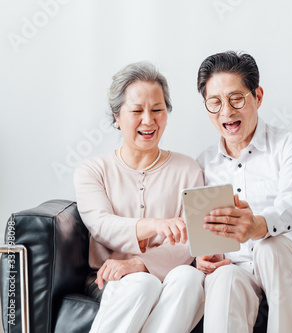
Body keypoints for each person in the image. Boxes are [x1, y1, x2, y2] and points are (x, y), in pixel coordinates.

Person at [195, 51, 292, 333]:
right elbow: (205, 234)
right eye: (215, 102)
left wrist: (258, 225)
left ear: (257, 96)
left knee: (270, 246)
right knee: (224, 278)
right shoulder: (203, 165)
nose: (226, 111)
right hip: (239, 271)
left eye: (236, 98)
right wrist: (205, 257)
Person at [74, 61, 205, 333]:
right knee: (142, 283)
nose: (149, 120)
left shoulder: (189, 168)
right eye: (136, 111)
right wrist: (155, 225)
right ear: (116, 117)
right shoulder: (92, 170)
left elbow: (190, 240)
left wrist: (141, 263)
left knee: (190, 277)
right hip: (110, 280)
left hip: (168, 275)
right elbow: (101, 225)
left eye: (157, 110)